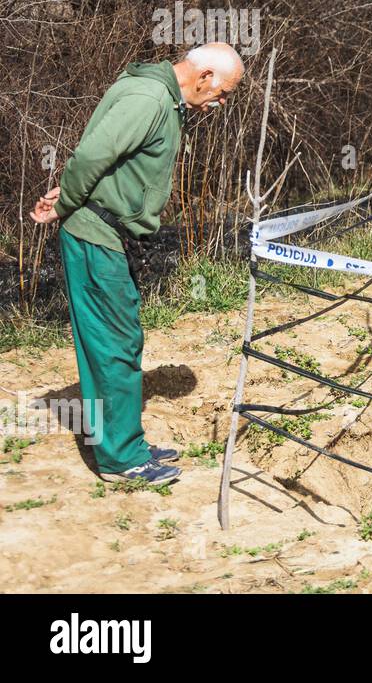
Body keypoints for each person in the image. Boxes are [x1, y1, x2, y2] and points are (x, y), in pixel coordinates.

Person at [29, 43, 245, 483]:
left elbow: (105, 156)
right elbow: (92, 155)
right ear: (203, 75)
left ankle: (124, 442)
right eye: (223, 92)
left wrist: (72, 194)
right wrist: (67, 200)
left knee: (115, 340)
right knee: (115, 344)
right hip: (96, 234)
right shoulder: (149, 99)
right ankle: (121, 460)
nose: (222, 103)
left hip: (104, 229)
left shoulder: (163, 98)